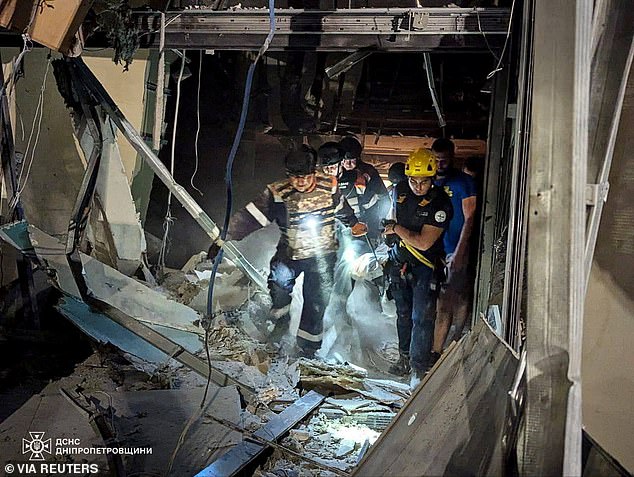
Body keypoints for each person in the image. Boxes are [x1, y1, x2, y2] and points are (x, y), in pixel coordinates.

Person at [222, 144, 367, 357]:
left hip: (322, 253)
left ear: (313, 172)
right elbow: (249, 217)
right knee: (279, 282)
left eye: (305, 176)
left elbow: (341, 207)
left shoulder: (329, 186)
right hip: (291, 250)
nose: (300, 181)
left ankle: (308, 348)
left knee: (317, 302)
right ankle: (281, 318)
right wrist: (223, 238)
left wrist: (353, 223)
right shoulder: (278, 193)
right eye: (294, 176)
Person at [383, 148, 452, 388]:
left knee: (421, 317)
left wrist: (397, 229)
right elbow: (391, 216)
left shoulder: (441, 203)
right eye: (413, 180)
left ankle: (418, 368)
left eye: (423, 182)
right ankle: (404, 357)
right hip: (400, 261)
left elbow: (423, 242)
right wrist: (389, 233)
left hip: (425, 266)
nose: (417, 186)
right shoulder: (400, 190)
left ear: (432, 179)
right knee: (402, 313)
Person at [430, 138, 477, 363]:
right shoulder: (428, 181)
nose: (440, 164)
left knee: (452, 296)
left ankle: (451, 343)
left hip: (454, 247)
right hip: (433, 248)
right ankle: (436, 349)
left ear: (452, 157)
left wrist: (460, 252)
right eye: (436, 160)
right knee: (438, 299)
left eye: (444, 160)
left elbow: (470, 219)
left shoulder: (464, 182)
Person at [338, 135, 390, 241]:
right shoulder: (335, 174)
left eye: (352, 160)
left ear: (357, 158)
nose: (348, 164)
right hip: (343, 220)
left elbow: (384, 196)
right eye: (345, 160)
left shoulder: (368, 172)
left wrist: (380, 219)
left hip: (368, 218)